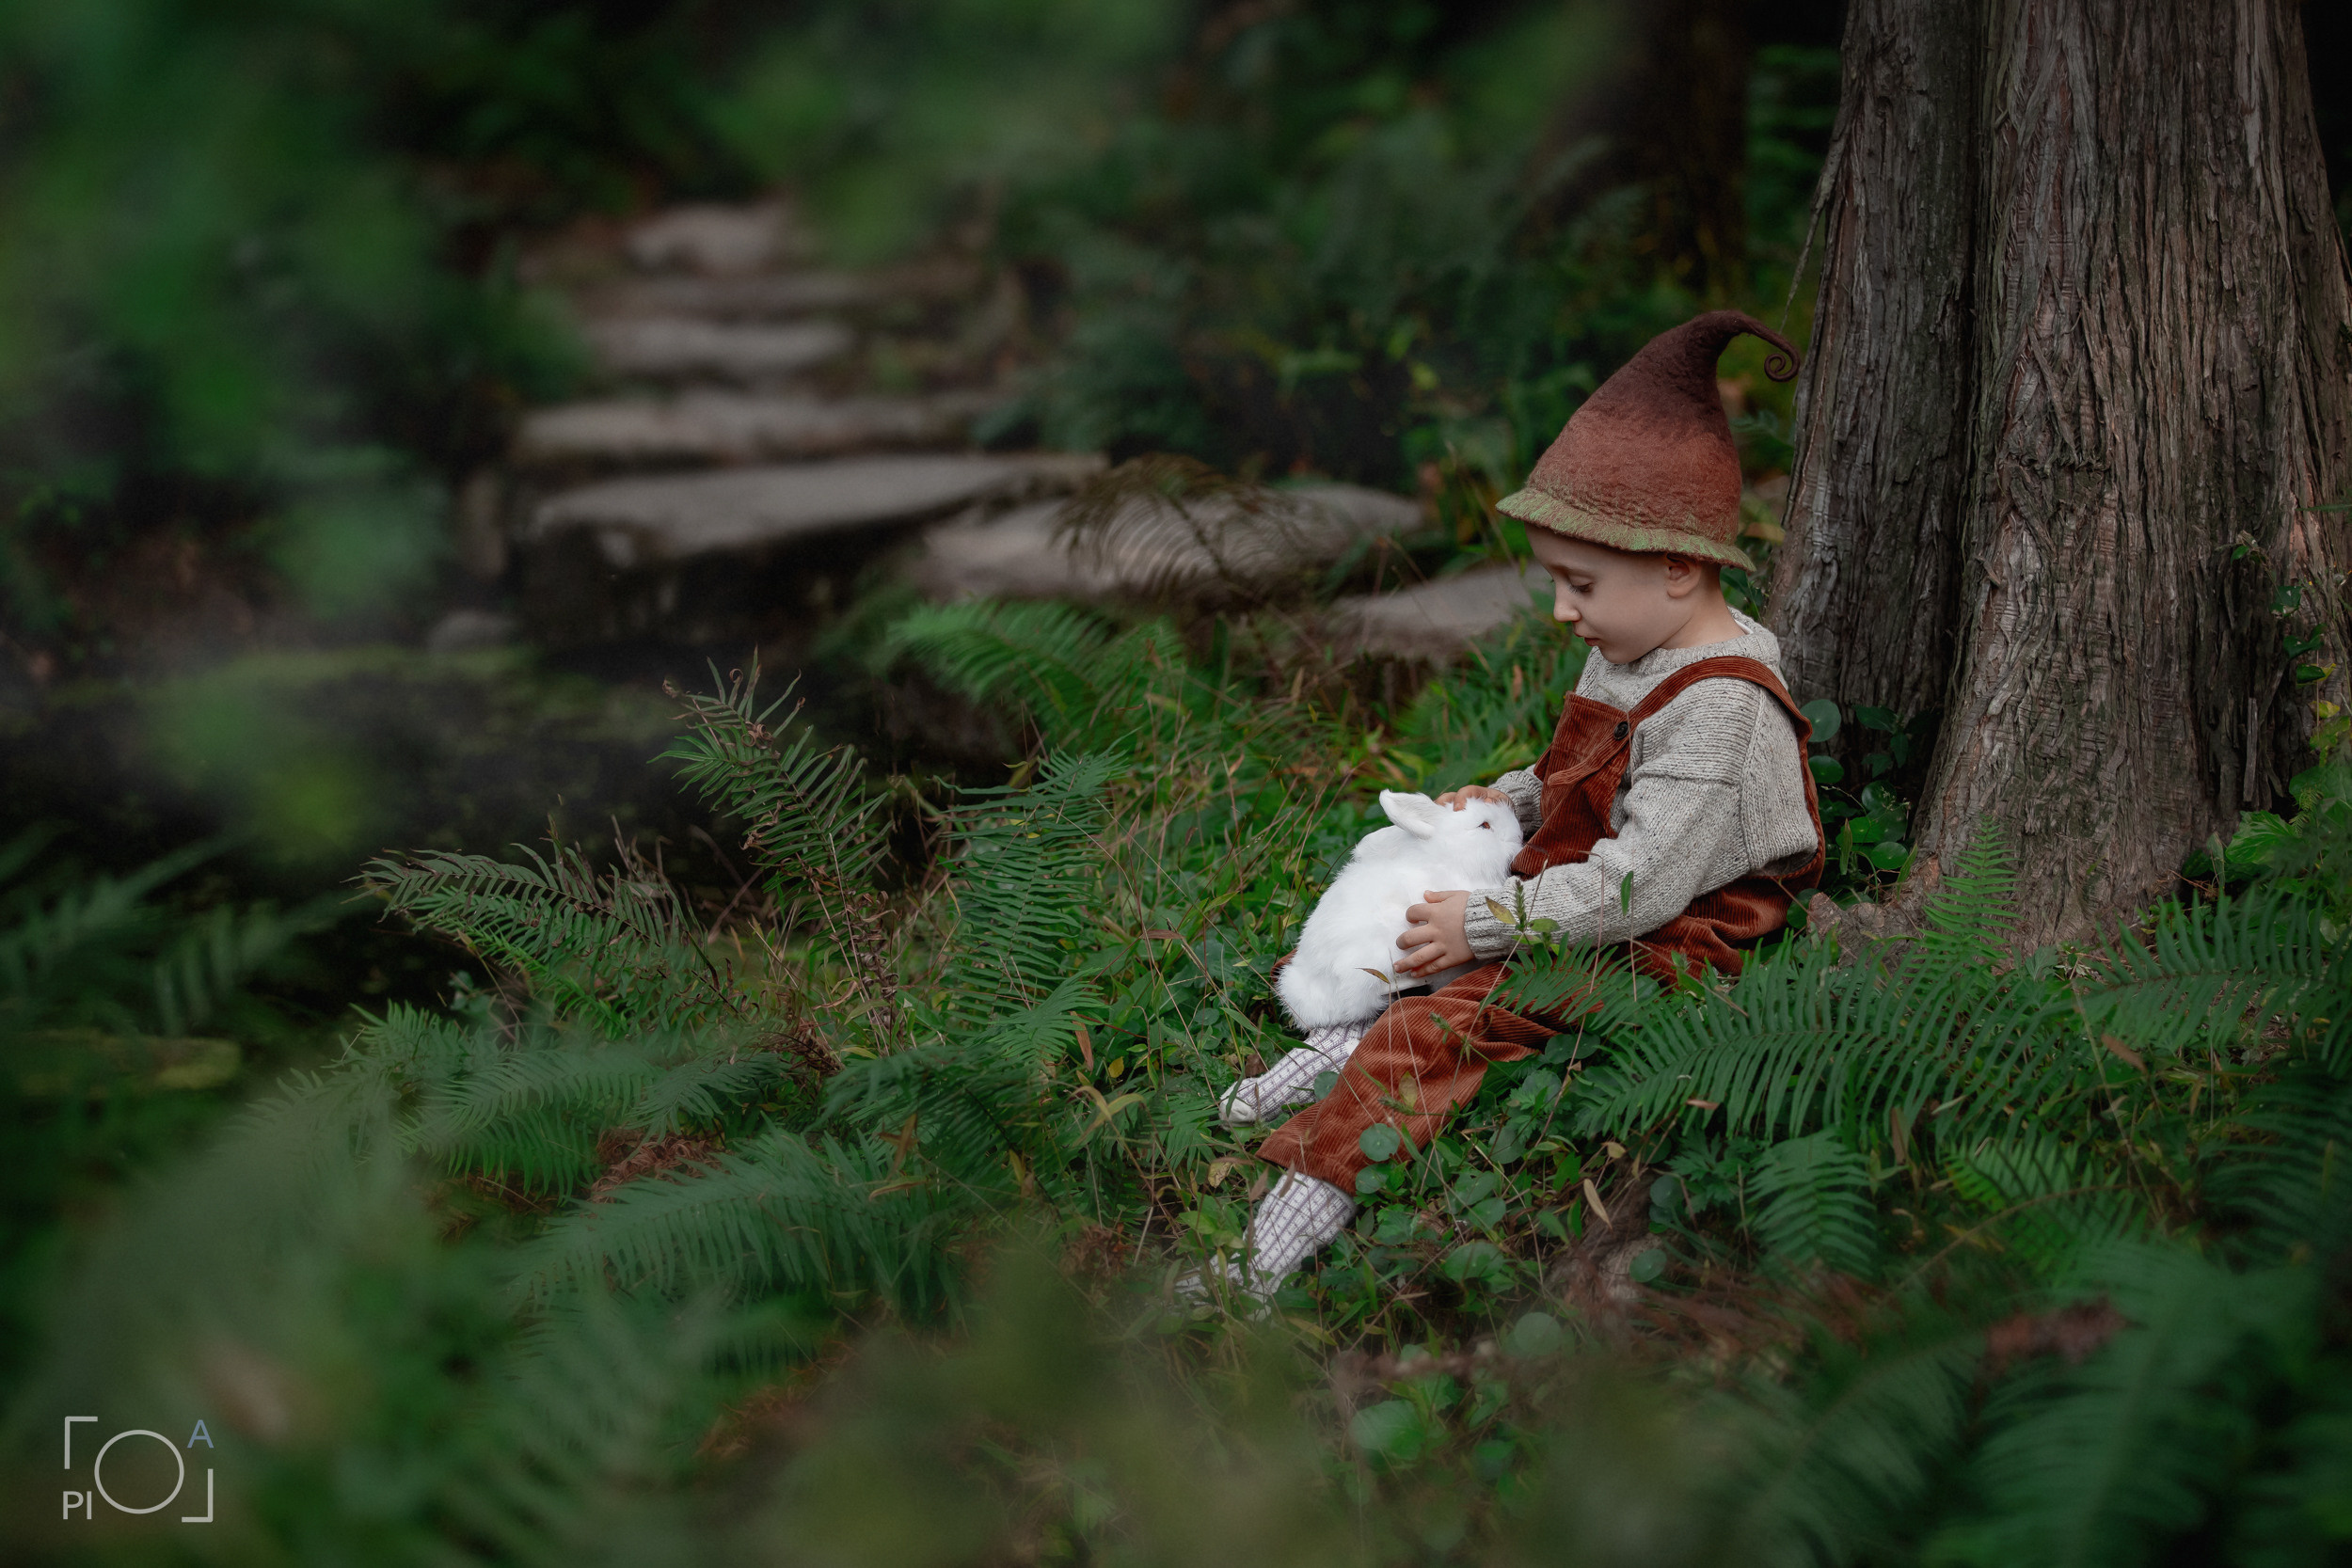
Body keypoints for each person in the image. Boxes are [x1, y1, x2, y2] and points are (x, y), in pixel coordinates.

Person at [1194, 310, 1828, 1307]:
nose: (1561, 609)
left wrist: (1485, 921)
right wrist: (1513, 796)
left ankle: (1269, 1247)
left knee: (1445, 1019)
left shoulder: (1720, 708)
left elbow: (1644, 880)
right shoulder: (1632, 641)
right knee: (1425, 946)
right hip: (1586, 886)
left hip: (1665, 933)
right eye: (1556, 581)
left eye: (1579, 584)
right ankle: (1333, 1043)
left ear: (1676, 568)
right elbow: (1585, 767)